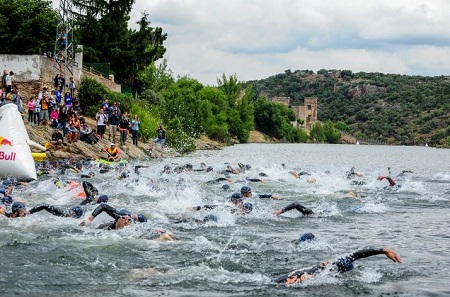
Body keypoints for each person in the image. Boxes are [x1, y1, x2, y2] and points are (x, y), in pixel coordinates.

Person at [275, 247, 402, 285]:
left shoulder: (321, 268)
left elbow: (353, 256)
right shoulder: (315, 277)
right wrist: (381, 250)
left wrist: (382, 250)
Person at [79, 204, 174, 240]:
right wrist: (91, 218)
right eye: (124, 219)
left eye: (129, 220)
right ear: (118, 218)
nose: (126, 222)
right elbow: (103, 206)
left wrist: (161, 231)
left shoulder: (132, 227)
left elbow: (146, 228)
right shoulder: (105, 228)